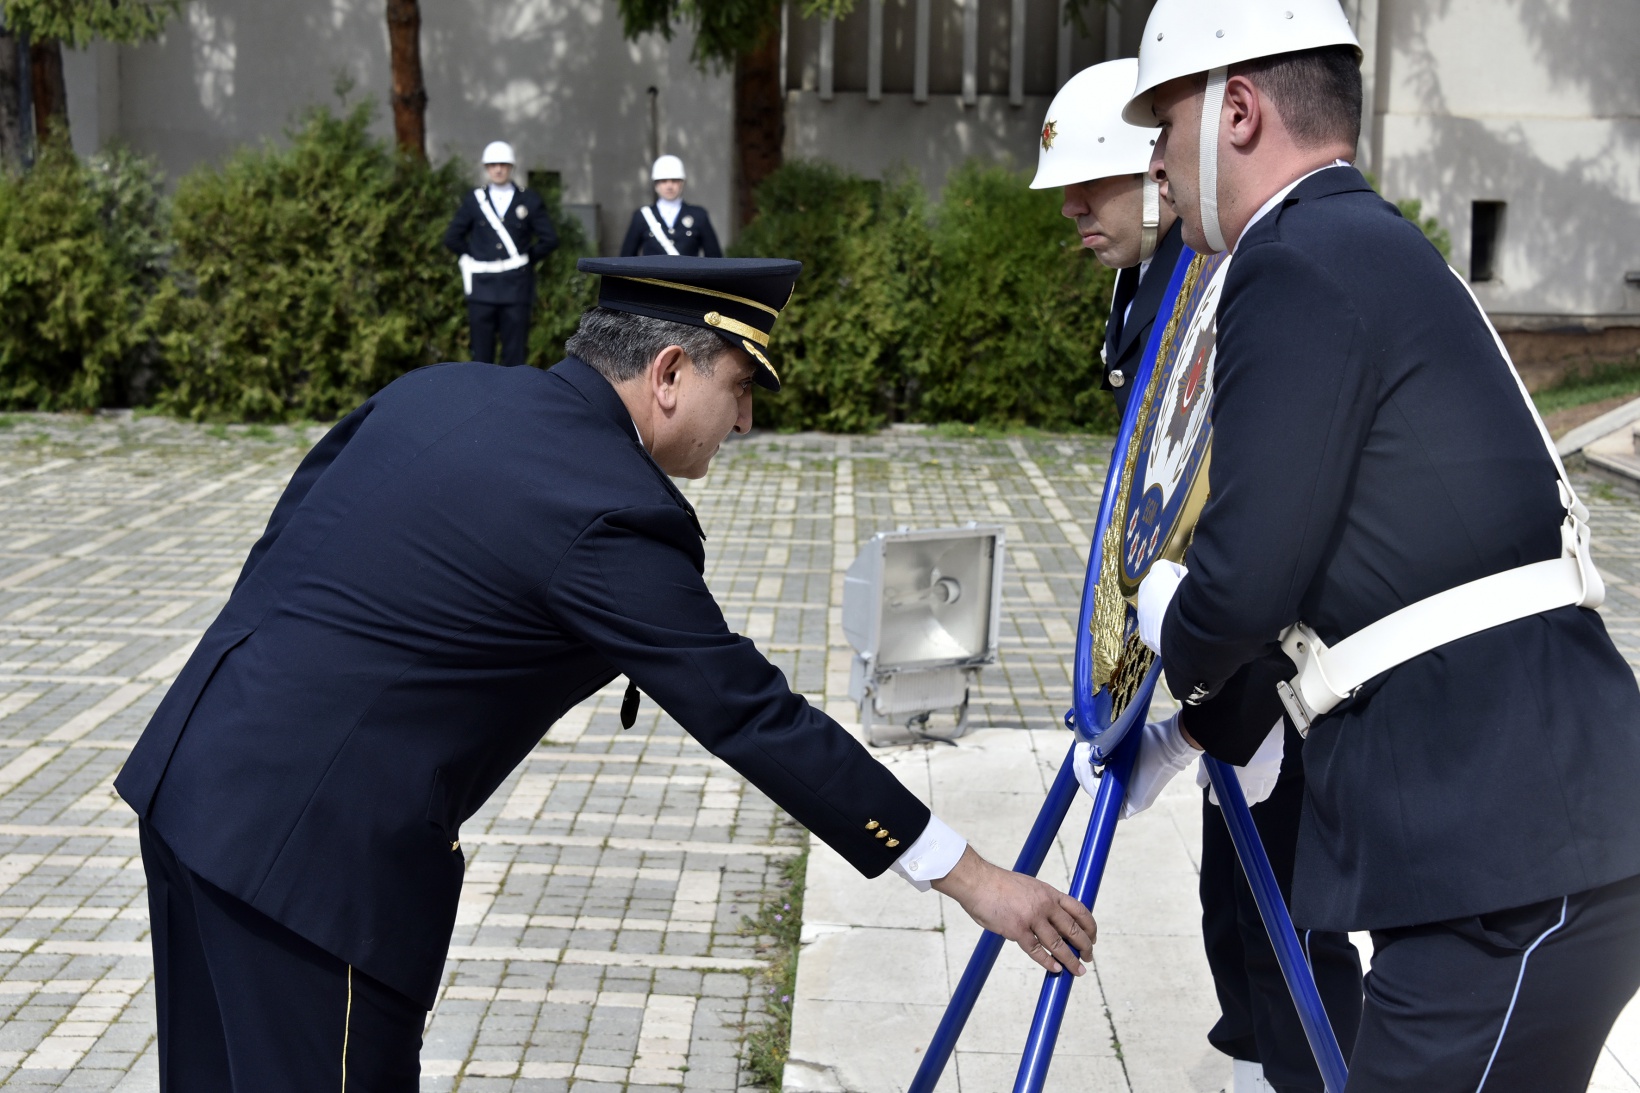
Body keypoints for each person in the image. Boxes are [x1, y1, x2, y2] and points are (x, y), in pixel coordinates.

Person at [113, 255, 1099, 1090]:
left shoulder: (439, 389)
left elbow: (288, 538)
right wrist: (974, 879)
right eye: (738, 387)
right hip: (312, 874)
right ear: (669, 371)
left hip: (191, 784)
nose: (744, 422)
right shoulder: (608, 508)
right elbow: (752, 715)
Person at [1118, 1, 1640, 1089]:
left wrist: (1167, 612)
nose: (1154, 162)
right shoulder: (1361, 240)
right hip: (1508, 840)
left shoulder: (1291, 260)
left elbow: (1241, 586)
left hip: (1502, 856)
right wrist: (1190, 728)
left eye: (1164, 123)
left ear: (1240, 111)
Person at [1035, 59, 1360, 1093]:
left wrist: (1214, 706)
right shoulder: (1149, 283)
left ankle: (1306, 1070)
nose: (1073, 212)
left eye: (1090, 185)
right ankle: (1257, 1059)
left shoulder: (1227, 275)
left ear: (1157, 169)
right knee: (1234, 897)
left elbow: (1261, 501)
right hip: (1216, 647)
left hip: (1280, 654)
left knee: (1289, 908)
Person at [442, 140, 558, 366]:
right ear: (486, 167)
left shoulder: (528, 200)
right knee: (481, 358)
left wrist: (525, 259)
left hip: (516, 288)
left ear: (511, 166)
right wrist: (476, 257)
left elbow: (550, 239)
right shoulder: (474, 200)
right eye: (492, 164)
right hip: (482, 288)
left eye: (503, 164)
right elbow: (452, 237)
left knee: (515, 356)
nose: (498, 169)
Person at [620, 155, 723, 258]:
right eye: (664, 181)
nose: (669, 186)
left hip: (687, 269)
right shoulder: (642, 216)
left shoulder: (698, 215)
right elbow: (627, 256)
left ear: (682, 183)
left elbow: (714, 256)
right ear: (656, 184)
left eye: (674, 180)